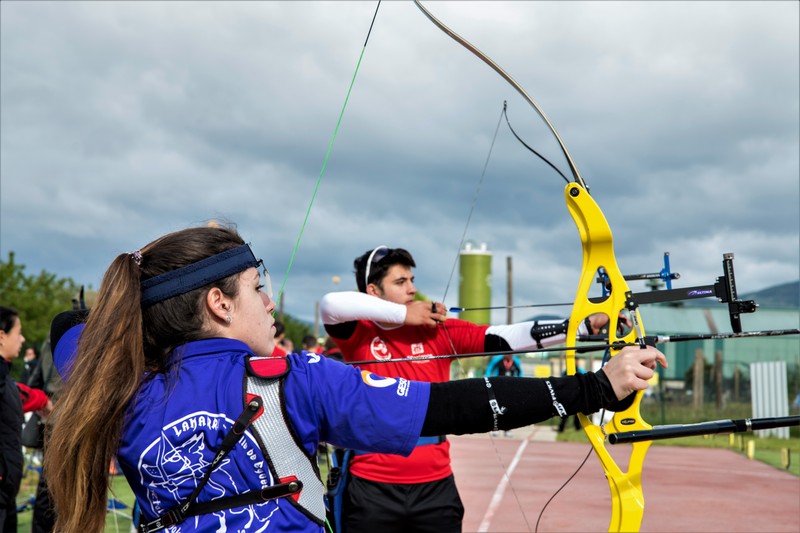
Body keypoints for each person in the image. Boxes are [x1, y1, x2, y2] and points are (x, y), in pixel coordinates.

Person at [42, 226, 665, 533]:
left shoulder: (119, 389)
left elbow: (69, 330)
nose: (268, 303)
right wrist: (596, 389)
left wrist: (118, 318)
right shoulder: (293, 380)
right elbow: (457, 405)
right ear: (219, 304)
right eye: (258, 289)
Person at [320, 246, 629, 533]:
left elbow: (506, 336)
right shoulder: (358, 334)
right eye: (400, 282)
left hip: (435, 485)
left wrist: (583, 326)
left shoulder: (437, 331)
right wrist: (405, 315)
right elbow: (330, 304)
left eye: (412, 279)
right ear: (373, 291)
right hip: (372, 486)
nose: (412, 288)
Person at [0, 307, 51, 532]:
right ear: (2, 336)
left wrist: (44, 402)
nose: (23, 339)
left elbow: (19, 393)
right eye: (18, 332)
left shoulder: (6, 381)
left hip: (7, 496)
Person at [485, 354, 523, 437]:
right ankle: (495, 428)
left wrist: (519, 383)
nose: (510, 355)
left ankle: (507, 429)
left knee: (509, 409)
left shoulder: (515, 361)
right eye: (508, 353)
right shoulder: (498, 360)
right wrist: (488, 381)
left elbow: (520, 373)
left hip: (510, 388)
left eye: (511, 354)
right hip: (498, 387)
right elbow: (489, 369)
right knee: (496, 407)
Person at [558, 366, 587, 432]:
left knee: (576, 413)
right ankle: (562, 428)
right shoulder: (566, 371)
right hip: (570, 394)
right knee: (566, 412)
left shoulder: (579, 370)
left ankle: (577, 427)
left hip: (575, 394)